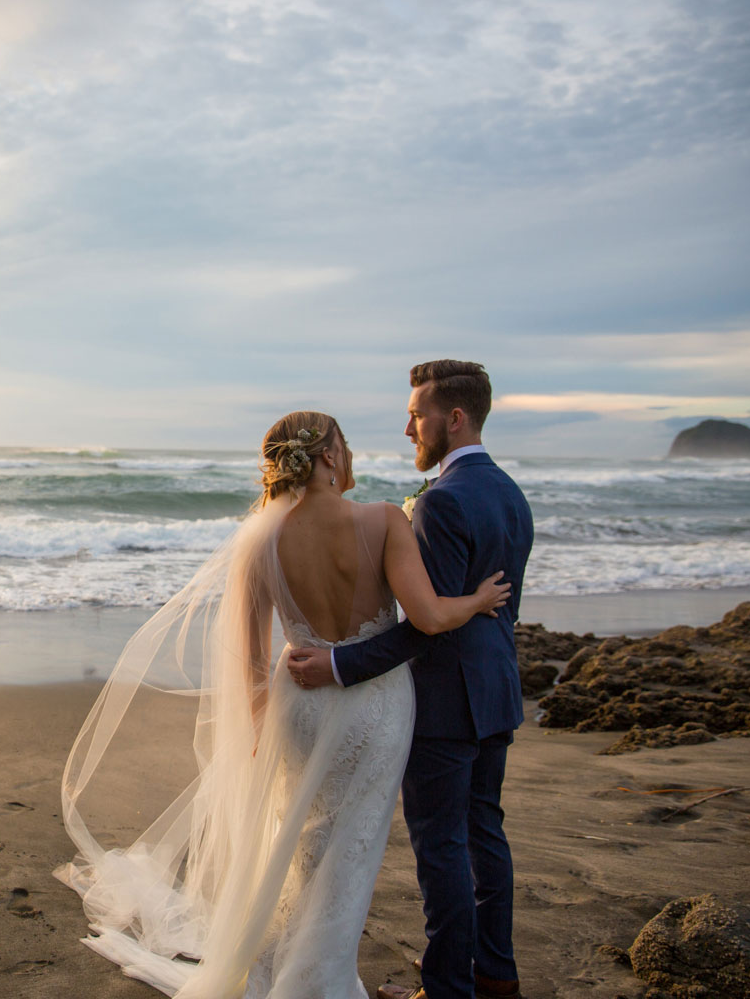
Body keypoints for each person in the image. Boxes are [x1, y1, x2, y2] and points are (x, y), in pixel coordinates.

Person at [57, 405, 511, 999]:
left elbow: (249, 661)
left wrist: (256, 735)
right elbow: (426, 616)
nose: (349, 458)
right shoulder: (382, 521)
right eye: (344, 447)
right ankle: (320, 981)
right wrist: (477, 601)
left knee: (305, 847)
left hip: (298, 707)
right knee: (353, 853)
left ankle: (284, 973)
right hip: (376, 712)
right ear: (327, 456)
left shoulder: (259, 540)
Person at [289, 360, 533, 999]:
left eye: (417, 415)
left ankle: (451, 989)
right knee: (485, 834)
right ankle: (497, 976)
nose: (408, 430)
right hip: (498, 691)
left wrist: (340, 665)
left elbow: (432, 623)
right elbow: (484, 606)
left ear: (453, 418)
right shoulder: (510, 491)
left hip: (448, 704)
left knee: (443, 847)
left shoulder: (441, 502)